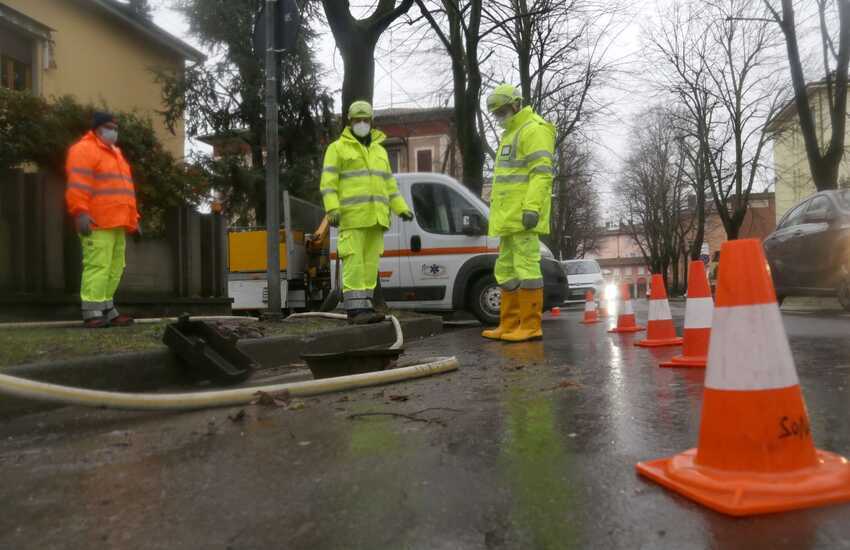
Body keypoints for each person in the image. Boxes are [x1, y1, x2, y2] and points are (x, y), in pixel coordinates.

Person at [320, 100, 414, 324]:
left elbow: (390, 186)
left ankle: (366, 308)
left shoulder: (380, 151)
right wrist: (332, 208)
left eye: (365, 119)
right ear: (349, 122)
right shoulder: (337, 148)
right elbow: (328, 183)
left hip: (376, 219)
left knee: (370, 265)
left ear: (371, 122)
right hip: (352, 219)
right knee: (354, 263)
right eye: (357, 120)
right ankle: (355, 311)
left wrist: (401, 208)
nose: (361, 123)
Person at [482, 84, 556, 342]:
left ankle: (530, 325)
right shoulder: (511, 134)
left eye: (502, 110)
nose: (499, 117)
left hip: (523, 215)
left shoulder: (534, 129)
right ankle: (510, 323)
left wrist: (532, 208)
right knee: (505, 270)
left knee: (526, 268)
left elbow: (542, 174)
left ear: (515, 104)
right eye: (496, 113)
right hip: (508, 218)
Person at [65, 112, 140, 328]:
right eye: (109, 127)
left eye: (116, 127)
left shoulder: (115, 154)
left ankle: (107, 308)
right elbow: (78, 184)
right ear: (97, 128)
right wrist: (80, 212)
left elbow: (125, 191)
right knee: (98, 264)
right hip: (96, 221)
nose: (114, 131)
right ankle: (91, 312)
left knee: (115, 266)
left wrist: (134, 219)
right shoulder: (83, 150)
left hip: (117, 222)